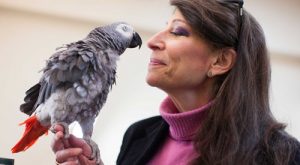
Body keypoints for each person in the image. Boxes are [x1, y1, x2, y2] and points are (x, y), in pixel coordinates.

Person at [51, 0, 300, 164]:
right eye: (164, 28)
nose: (152, 41)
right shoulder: (137, 136)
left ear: (220, 61)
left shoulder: (281, 156)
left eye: (178, 31)